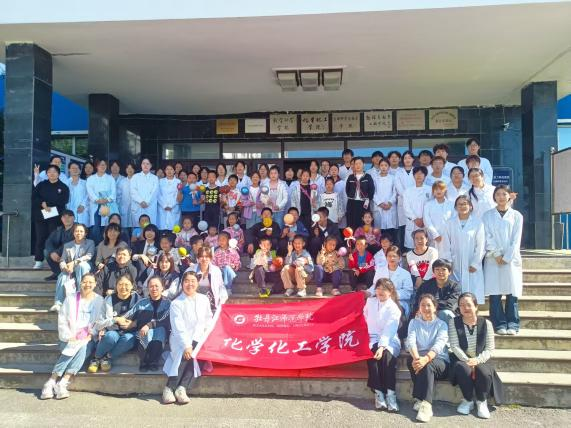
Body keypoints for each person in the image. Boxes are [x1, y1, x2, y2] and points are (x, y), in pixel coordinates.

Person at [40, 273, 104, 400]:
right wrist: (69, 336)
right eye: (85, 281)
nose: (87, 284)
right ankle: (57, 382)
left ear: (95, 284)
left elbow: (100, 322)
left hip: (88, 337)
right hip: (70, 336)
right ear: (80, 283)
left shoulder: (99, 300)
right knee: (76, 347)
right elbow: (62, 319)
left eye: (91, 282)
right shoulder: (71, 298)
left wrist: (91, 334)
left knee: (83, 346)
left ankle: (56, 381)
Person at [449, 292, 504, 419]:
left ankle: (481, 401)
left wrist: (477, 360)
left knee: (483, 371)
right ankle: (468, 400)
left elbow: (490, 348)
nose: (465, 308)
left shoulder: (486, 324)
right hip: (462, 358)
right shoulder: (454, 322)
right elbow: (454, 346)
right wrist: (468, 360)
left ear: (476, 306)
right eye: (461, 305)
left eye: (468, 304)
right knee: (461, 368)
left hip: (481, 359)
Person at [162, 271, 213, 404]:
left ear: (197, 283)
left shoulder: (204, 299)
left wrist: (206, 336)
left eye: (193, 281)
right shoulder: (176, 303)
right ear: (182, 283)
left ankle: (181, 388)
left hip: (199, 337)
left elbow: (208, 319)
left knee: (200, 353)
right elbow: (178, 327)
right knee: (188, 353)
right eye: (186, 281)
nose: (190, 284)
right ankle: (169, 388)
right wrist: (186, 345)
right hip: (180, 339)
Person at [483, 185, 523, 335]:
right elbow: (487, 236)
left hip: (511, 260)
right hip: (493, 259)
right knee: (495, 293)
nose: (501, 197)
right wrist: (496, 254)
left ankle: (513, 323)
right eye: (498, 194)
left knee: (512, 293)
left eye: (504, 194)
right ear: (494, 197)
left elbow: (516, 239)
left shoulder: (517, 215)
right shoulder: (487, 216)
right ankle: (498, 323)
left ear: (509, 196)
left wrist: (506, 257)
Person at [406, 293, 450, 423]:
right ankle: (419, 399)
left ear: (435, 307)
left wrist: (425, 359)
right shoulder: (414, 322)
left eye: (429, 305)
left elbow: (439, 345)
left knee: (428, 364)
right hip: (420, 358)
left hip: (439, 361)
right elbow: (411, 341)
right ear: (419, 307)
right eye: (422, 305)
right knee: (411, 360)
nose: (426, 308)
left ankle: (426, 404)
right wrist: (416, 358)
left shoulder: (442, 324)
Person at [89, 273, 141, 373]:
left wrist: (134, 323)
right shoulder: (108, 299)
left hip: (130, 331)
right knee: (111, 336)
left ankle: (107, 357)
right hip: (112, 330)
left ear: (132, 286)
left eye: (126, 284)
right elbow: (99, 323)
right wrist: (115, 319)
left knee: (129, 339)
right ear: (116, 286)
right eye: (120, 284)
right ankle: (96, 357)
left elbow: (143, 319)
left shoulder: (138, 300)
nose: (123, 287)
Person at [364, 278, 402, 412]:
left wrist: (382, 346)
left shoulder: (394, 308)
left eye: (384, 289)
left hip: (389, 339)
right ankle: (378, 392)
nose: (380, 291)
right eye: (378, 288)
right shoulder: (370, 302)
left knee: (386, 357)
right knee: (371, 356)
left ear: (390, 292)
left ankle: (391, 393)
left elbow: (390, 329)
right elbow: (364, 317)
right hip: (373, 338)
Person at [441, 195, 486, 304]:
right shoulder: (449, 223)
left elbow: (481, 245)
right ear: (455, 207)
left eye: (465, 203)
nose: (462, 206)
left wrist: (475, 263)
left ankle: (473, 310)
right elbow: (445, 244)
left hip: (471, 263)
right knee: (455, 290)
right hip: (454, 263)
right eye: (459, 204)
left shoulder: (477, 223)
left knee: (473, 292)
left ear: (470, 206)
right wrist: (448, 263)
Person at [122, 276, 171, 371]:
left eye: (157, 286)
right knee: (146, 333)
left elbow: (164, 321)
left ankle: (153, 361)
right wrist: (117, 320)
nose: (154, 288)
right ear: (148, 288)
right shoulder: (142, 303)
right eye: (151, 286)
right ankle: (144, 361)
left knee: (159, 331)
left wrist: (149, 325)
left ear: (162, 288)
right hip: (142, 333)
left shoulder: (168, 303)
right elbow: (127, 316)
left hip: (160, 332)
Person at [32, 165, 70, 269]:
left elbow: (64, 200)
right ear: (47, 174)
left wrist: (48, 204)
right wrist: (42, 203)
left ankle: (55, 261)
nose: (52, 173)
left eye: (54, 171)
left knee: (55, 239)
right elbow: (34, 197)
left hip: (56, 218)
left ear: (58, 174)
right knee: (40, 238)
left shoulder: (63, 187)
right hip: (41, 217)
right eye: (49, 172)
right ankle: (38, 260)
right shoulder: (41, 185)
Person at [51, 224, 95, 312]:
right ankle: (58, 303)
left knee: (81, 266)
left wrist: (74, 262)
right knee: (62, 276)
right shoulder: (68, 245)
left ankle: (80, 297)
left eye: (81, 231)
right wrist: (64, 267)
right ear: (73, 233)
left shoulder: (90, 243)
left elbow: (89, 256)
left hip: (85, 266)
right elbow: (62, 259)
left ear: (85, 233)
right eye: (76, 231)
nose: (79, 233)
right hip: (70, 269)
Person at [369, 246, 413, 317]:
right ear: (386, 257)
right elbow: (375, 286)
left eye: (394, 256)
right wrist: (368, 292)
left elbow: (408, 292)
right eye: (389, 256)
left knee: (393, 311)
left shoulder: (405, 274)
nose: (391, 258)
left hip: (398, 302)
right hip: (380, 300)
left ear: (399, 258)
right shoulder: (380, 271)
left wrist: (391, 294)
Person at [413, 258, 461, 323]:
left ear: (449, 272)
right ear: (433, 272)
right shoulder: (426, 285)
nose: (440, 272)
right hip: (427, 311)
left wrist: (432, 308)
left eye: (444, 269)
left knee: (445, 313)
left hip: (446, 313)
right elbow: (418, 300)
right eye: (437, 269)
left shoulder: (455, 287)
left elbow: (450, 304)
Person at [86, 159, 117, 245]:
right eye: (100, 165)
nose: (102, 166)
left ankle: (106, 247)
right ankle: (96, 248)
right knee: (96, 229)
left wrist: (106, 199)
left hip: (108, 205)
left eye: (104, 165)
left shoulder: (110, 178)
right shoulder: (91, 179)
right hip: (96, 205)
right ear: (97, 166)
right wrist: (97, 200)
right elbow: (90, 191)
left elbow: (113, 192)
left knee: (106, 228)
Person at [189, 246, 229, 313]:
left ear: (210, 258)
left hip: (211, 303)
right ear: (198, 258)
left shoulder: (216, 270)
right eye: (201, 256)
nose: (204, 259)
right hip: (194, 303)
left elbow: (221, 286)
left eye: (207, 256)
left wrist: (222, 300)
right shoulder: (191, 270)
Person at [402, 166, 431, 250]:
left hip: (426, 222)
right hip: (412, 222)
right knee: (412, 248)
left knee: (426, 248)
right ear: (413, 176)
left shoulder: (430, 190)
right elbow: (406, 207)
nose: (419, 175)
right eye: (417, 173)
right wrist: (415, 219)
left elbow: (431, 206)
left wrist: (424, 219)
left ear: (425, 176)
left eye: (421, 173)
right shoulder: (408, 191)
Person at [423, 181, 455, 254]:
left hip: (449, 236)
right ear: (433, 191)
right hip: (434, 237)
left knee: (448, 256)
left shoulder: (451, 204)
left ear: (445, 190)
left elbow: (454, 220)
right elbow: (427, 221)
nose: (438, 191)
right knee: (434, 256)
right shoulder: (428, 205)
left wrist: (450, 234)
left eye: (441, 189)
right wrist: (435, 234)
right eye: (436, 189)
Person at [44, 210, 76, 281]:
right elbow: (49, 241)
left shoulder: (77, 228)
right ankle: (58, 273)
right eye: (64, 217)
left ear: (74, 218)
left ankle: (66, 274)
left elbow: (70, 243)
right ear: (61, 219)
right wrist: (52, 252)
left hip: (72, 253)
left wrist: (57, 252)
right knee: (46, 252)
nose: (66, 219)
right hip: (60, 253)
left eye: (69, 217)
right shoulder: (59, 229)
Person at [345, 157, 375, 230]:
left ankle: (365, 237)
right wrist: (351, 196)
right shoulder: (351, 177)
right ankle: (352, 237)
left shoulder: (368, 177)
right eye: (356, 164)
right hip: (352, 203)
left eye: (360, 163)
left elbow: (371, 190)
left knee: (364, 223)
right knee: (351, 223)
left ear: (363, 165)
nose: (358, 165)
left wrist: (367, 199)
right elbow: (347, 189)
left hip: (364, 203)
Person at [394, 150, 416, 249]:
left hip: (415, 202)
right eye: (405, 158)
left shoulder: (417, 171)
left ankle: (415, 248)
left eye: (409, 158)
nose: (407, 160)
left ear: (413, 159)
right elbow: (398, 187)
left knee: (415, 226)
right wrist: (407, 197)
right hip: (402, 202)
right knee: (403, 227)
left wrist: (411, 197)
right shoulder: (398, 173)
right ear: (402, 160)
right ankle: (403, 249)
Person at [372, 158, 398, 242]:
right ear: (379, 167)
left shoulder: (393, 178)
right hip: (379, 207)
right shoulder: (375, 178)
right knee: (380, 231)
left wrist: (390, 203)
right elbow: (373, 192)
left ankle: (392, 247)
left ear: (389, 167)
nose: (383, 167)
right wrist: (380, 203)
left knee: (391, 231)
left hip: (391, 207)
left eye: (386, 165)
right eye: (382, 165)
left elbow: (395, 191)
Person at [130, 158, 160, 226]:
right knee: (138, 227)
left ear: (150, 166)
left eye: (147, 164)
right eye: (143, 163)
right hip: (138, 206)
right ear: (141, 165)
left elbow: (154, 192)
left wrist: (147, 202)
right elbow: (133, 191)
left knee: (150, 227)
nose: (145, 165)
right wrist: (141, 201)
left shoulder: (155, 178)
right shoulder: (135, 177)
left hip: (150, 207)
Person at [212, 231, 241, 295]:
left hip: (230, 275)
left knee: (227, 268)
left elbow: (238, 263)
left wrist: (234, 266)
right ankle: (221, 289)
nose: (221, 241)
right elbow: (213, 263)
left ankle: (227, 289)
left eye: (223, 239)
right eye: (219, 240)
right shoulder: (216, 252)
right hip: (219, 273)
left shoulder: (233, 251)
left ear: (228, 240)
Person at [158, 164, 182, 231]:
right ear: (165, 171)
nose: (169, 171)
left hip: (174, 207)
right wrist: (164, 205)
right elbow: (158, 194)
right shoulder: (160, 181)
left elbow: (177, 194)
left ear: (174, 171)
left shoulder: (178, 181)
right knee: (162, 228)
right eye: (167, 169)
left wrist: (171, 205)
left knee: (174, 229)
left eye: (171, 169)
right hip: (162, 208)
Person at [66, 161, 89, 226]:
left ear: (80, 171)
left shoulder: (85, 183)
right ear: (69, 170)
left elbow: (88, 195)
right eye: (73, 168)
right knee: (70, 229)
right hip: (69, 210)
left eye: (77, 168)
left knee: (82, 229)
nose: (75, 170)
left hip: (82, 211)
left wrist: (83, 205)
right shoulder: (65, 183)